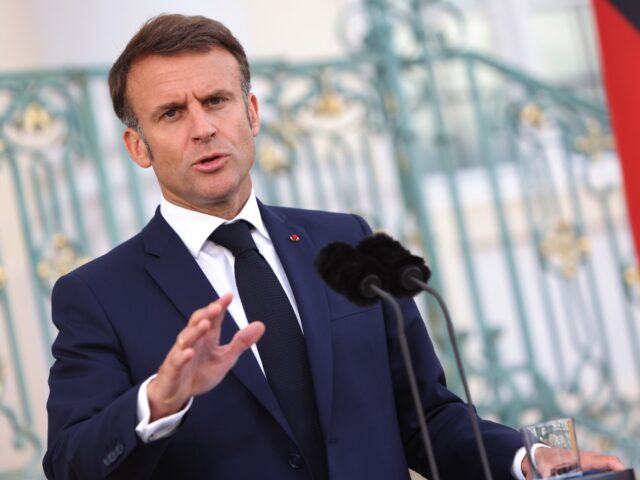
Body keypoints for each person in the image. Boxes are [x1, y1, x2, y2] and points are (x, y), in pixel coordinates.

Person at [43, 14, 625, 480]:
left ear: (250, 112)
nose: (202, 128)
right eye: (172, 113)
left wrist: (524, 459)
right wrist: (157, 403)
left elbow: (426, 416)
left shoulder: (344, 240)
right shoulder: (96, 295)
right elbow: (70, 464)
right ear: (137, 147)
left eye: (216, 101)